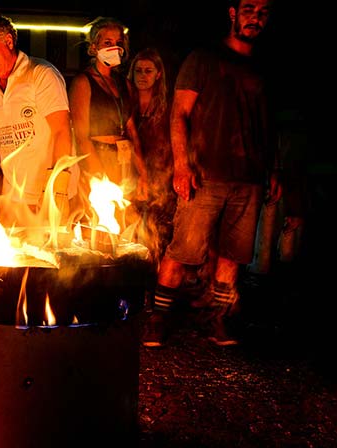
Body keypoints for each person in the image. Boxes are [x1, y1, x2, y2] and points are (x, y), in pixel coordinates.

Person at [142, 0, 280, 348]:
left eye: (263, 13)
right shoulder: (202, 59)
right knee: (182, 250)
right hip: (205, 175)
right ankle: (158, 321)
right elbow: (179, 115)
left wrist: (274, 170)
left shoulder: (263, 66)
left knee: (232, 256)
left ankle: (216, 321)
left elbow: (269, 126)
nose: (256, 18)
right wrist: (182, 165)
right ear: (233, 13)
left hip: (248, 179)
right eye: (249, 10)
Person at [0, 10, 74, 227]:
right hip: (14, 196)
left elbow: (61, 131)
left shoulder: (41, 74)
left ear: (9, 41)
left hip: (48, 194)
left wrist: (56, 191)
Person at [68, 16, 148, 207]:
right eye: (108, 42)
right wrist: (100, 178)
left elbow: (132, 132)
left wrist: (143, 173)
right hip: (96, 158)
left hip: (123, 160)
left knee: (122, 220)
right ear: (94, 47)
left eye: (118, 43)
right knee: (99, 221)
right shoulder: (83, 83)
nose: (114, 47)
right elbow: (81, 137)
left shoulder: (125, 84)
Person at [127, 47, 175, 266]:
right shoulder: (127, 104)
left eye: (148, 71)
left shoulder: (167, 107)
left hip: (162, 181)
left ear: (158, 74)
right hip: (131, 177)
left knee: (159, 237)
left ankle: (156, 286)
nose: (142, 76)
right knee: (132, 235)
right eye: (138, 70)